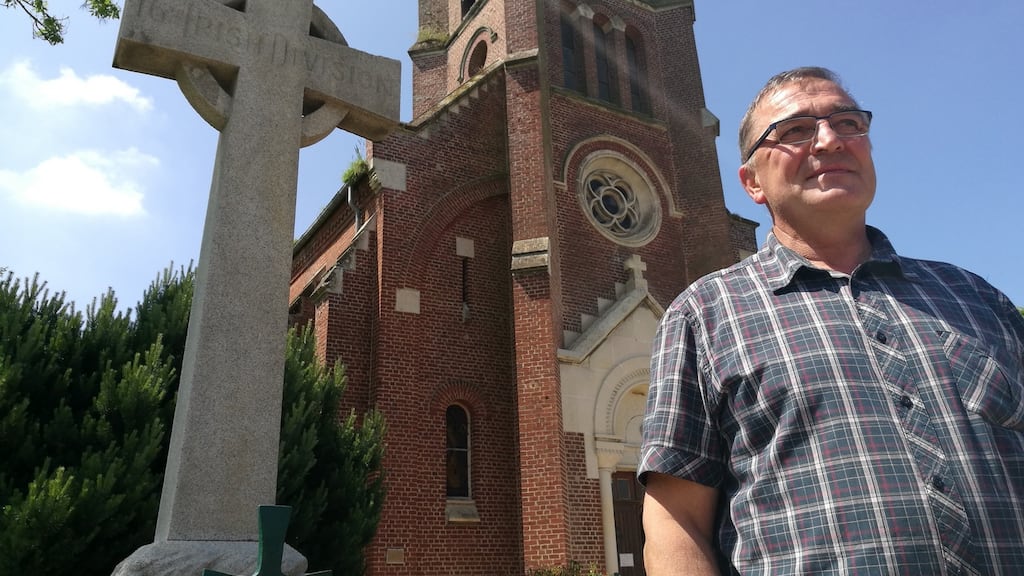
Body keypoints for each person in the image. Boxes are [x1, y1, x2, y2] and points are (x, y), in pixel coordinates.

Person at [637, 66, 1024, 575]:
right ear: (752, 181)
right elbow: (674, 523)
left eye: (847, 123)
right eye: (795, 130)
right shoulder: (705, 314)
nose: (829, 140)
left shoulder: (976, 297)